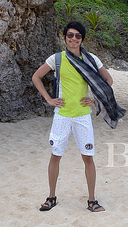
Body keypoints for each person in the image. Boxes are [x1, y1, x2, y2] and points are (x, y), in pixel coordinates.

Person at [31, 21, 116, 213]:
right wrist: (49, 99)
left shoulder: (91, 59)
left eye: (78, 36)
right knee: (55, 156)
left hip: (82, 116)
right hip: (62, 115)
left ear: (82, 39)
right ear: (65, 37)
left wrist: (95, 101)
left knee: (88, 157)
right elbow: (36, 77)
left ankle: (92, 200)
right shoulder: (57, 59)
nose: (74, 39)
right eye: (70, 35)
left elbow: (108, 81)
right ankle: (51, 197)